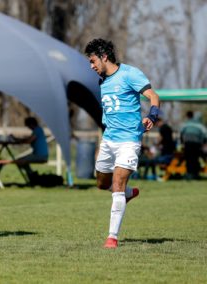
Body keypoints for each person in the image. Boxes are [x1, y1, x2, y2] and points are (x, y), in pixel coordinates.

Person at [85, 38, 160, 248]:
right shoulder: (102, 82)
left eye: (93, 61)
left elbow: (153, 96)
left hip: (129, 141)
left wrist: (151, 116)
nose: (92, 66)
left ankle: (112, 237)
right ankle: (127, 194)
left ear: (104, 57)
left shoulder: (129, 74)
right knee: (102, 183)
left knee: (117, 183)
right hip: (108, 139)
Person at [10, 117, 49, 183]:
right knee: (20, 161)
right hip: (39, 155)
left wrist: (18, 140)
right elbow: (29, 139)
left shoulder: (37, 130)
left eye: (28, 125)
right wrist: (18, 139)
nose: (28, 127)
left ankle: (33, 177)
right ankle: (33, 176)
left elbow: (29, 140)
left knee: (20, 161)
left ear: (31, 124)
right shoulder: (38, 130)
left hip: (40, 156)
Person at [179, 111, 207, 180]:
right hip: (197, 144)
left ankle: (189, 174)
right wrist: (204, 143)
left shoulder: (186, 124)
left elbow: (181, 133)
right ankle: (195, 174)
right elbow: (205, 134)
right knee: (195, 159)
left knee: (188, 159)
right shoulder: (200, 124)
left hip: (188, 143)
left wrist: (182, 143)